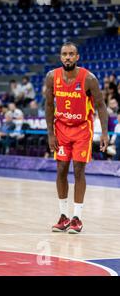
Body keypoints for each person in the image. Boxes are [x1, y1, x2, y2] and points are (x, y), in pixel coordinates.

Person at [45, 42, 109, 234]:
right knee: (61, 169)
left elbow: (101, 106)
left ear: (77, 57)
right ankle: (64, 216)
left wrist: (104, 133)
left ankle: (77, 217)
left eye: (71, 54)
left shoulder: (89, 78)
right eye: (65, 54)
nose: (68, 57)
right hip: (61, 129)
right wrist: (50, 133)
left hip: (82, 129)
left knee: (79, 170)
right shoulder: (51, 77)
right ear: (60, 57)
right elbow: (49, 106)